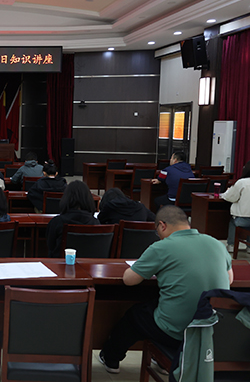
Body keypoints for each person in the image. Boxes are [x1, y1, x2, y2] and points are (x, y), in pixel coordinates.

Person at [99, 206, 232, 374]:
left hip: (176, 331)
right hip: (211, 328)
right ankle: (163, 363)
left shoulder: (162, 247)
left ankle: (111, 359)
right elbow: (230, 279)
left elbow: (129, 280)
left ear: (162, 225)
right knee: (160, 304)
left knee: (135, 316)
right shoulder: (216, 243)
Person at [45, 180, 99, 257]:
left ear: (65, 198)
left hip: (61, 263)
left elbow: (50, 246)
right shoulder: (95, 223)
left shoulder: (57, 222)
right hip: (88, 263)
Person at [221, 160, 250, 252]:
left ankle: (231, 245)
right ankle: (249, 247)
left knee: (233, 222)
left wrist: (227, 191)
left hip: (243, 220)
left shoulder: (242, 182)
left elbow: (230, 197)